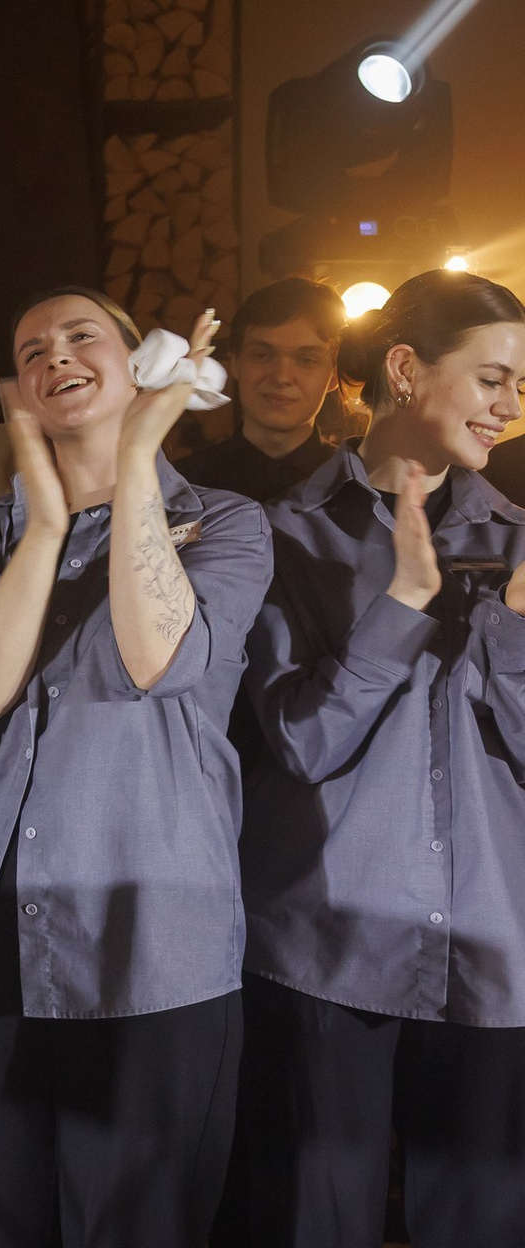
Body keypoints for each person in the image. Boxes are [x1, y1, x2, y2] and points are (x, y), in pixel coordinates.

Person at [0, 289, 271, 1246]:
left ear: (142, 362)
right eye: (32, 348)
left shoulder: (227, 522)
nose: (55, 356)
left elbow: (156, 660)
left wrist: (136, 461)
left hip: (149, 938)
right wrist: (45, 526)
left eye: (82, 337)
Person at [236, 270, 525, 1246]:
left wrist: (517, 629)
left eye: (521, 386)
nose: (511, 406)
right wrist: (399, 607)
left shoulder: (520, 542)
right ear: (406, 369)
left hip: (491, 946)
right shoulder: (279, 534)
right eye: (492, 379)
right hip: (329, 943)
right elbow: (301, 740)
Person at [178, 277, 342, 503]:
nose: (281, 377)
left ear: (333, 375)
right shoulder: (184, 485)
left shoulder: (356, 484)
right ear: (235, 362)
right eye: (262, 355)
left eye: (306, 360)